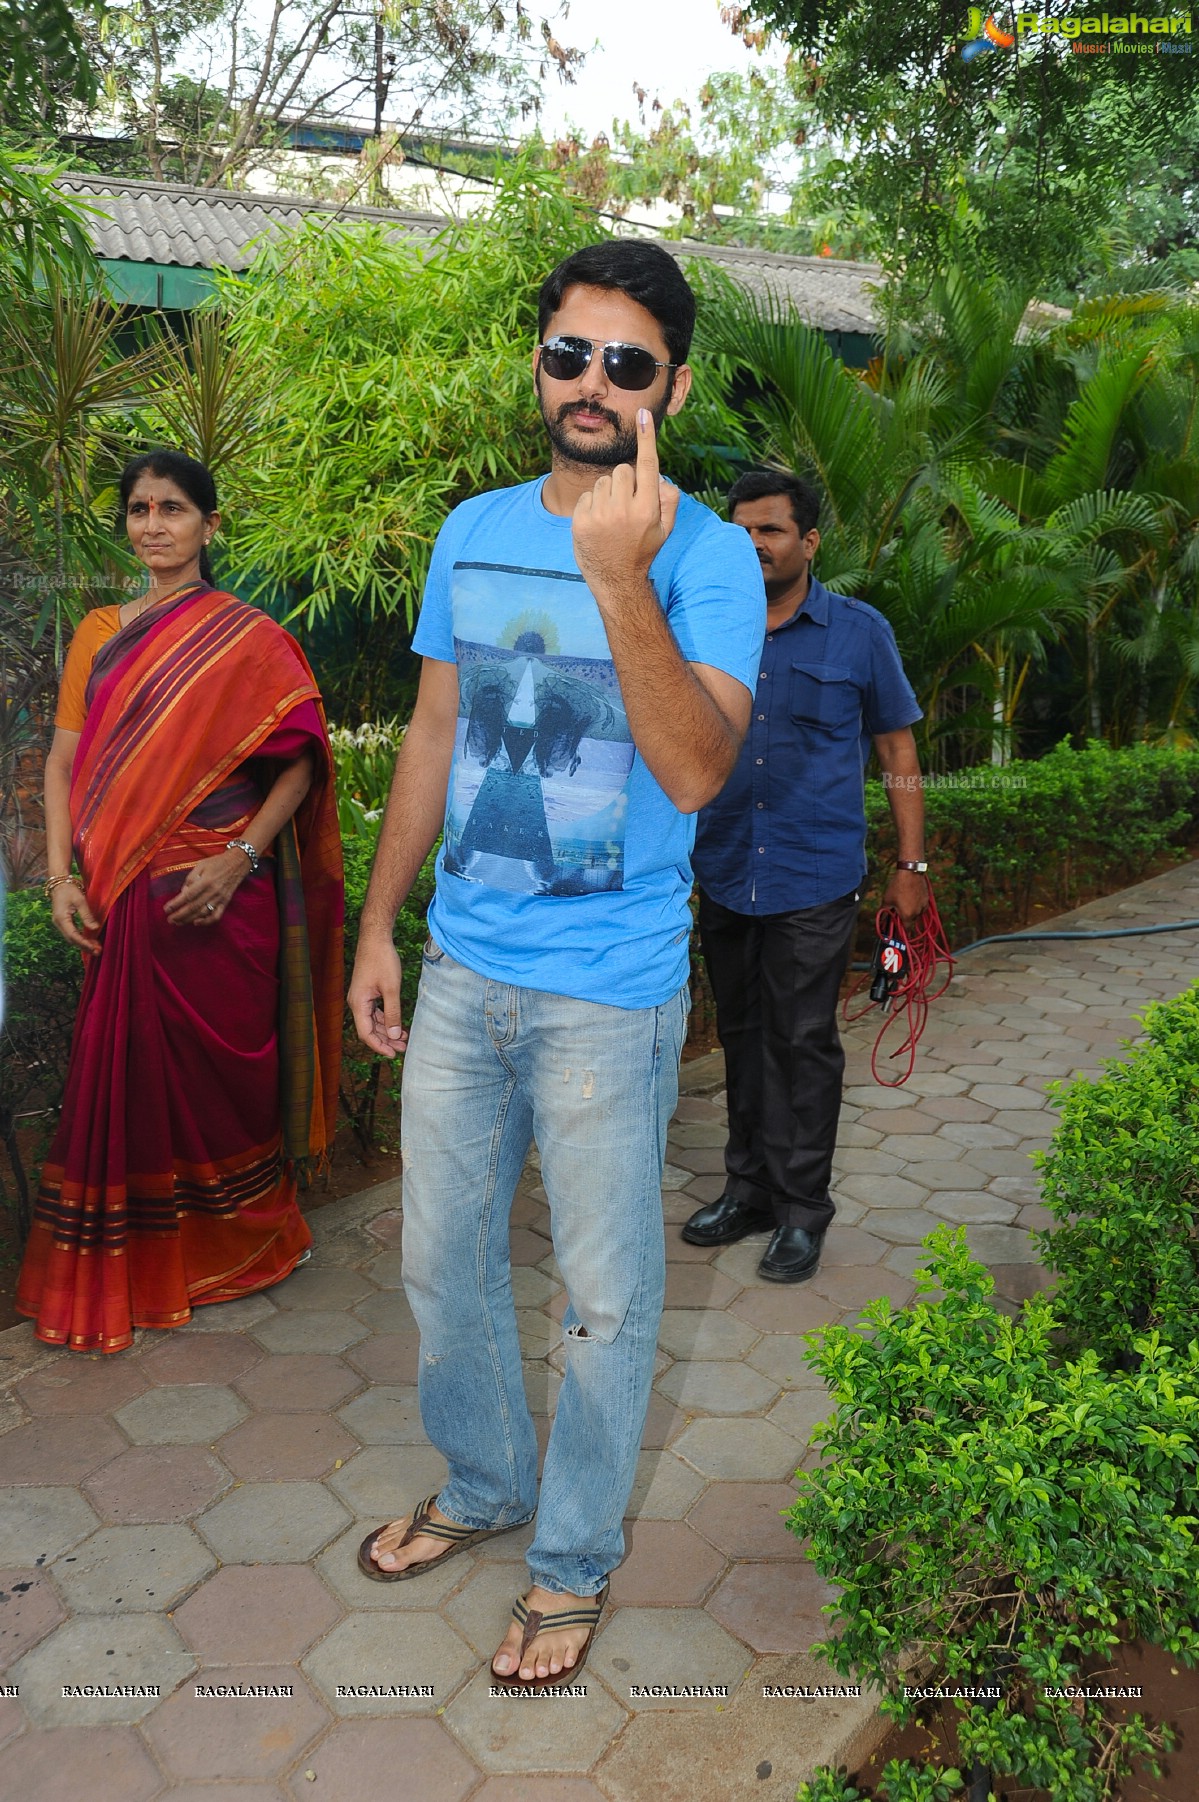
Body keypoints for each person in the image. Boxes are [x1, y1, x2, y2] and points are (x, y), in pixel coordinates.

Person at [348, 241, 764, 1689]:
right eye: (567, 354)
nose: (590, 385)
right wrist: (378, 921)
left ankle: (571, 1558)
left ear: (673, 384)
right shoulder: (467, 528)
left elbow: (697, 766)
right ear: (537, 363)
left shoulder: (705, 555)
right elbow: (428, 737)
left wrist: (614, 575)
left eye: (626, 363)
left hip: (608, 990)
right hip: (462, 966)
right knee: (437, 1266)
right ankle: (479, 1483)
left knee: (602, 1295)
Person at [17, 450, 344, 1354]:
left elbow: (302, 763)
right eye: (137, 509)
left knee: (225, 1084)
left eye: (171, 509)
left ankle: (241, 1243)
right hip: (123, 900)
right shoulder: (99, 632)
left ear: (209, 524)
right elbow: (62, 763)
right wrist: (61, 876)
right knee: (127, 1083)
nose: (152, 525)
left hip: (216, 906)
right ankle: (141, 1257)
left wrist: (241, 859)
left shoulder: (248, 638)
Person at [681, 469, 927, 1282]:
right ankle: (746, 1191)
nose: (753, 545)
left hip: (812, 874)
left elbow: (896, 751)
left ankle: (800, 1212)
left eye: (770, 531)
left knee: (803, 1041)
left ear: (809, 541)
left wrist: (910, 866)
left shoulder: (857, 633)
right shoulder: (706, 627)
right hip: (721, 867)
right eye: (740, 530)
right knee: (742, 1038)